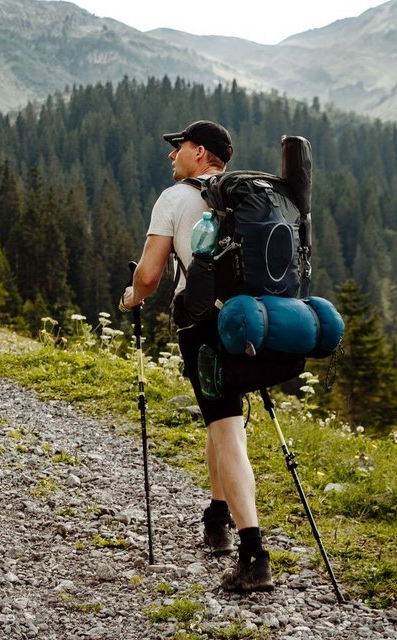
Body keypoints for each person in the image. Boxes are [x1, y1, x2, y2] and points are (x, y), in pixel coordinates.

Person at [119, 119, 278, 594]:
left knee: (227, 429)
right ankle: (217, 515)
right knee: (222, 418)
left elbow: (148, 275)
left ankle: (254, 555)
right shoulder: (249, 198)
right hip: (254, 321)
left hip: (205, 326)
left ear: (203, 154)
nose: (172, 155)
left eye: (180, 147)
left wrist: (130, 298)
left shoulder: (177, 199)